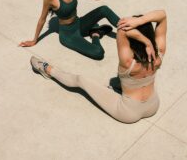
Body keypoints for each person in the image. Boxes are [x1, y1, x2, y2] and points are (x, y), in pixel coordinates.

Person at [30, 10, 167, 123]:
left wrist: (145, 40)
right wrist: (142, 24)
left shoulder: (127, 60)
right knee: (122, 80)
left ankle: (46, 69)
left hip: (128, 112)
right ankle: (120, 85)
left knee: (80, 80)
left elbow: (121, 28)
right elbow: (162, 15)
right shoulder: (159, 54)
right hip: (153, 105)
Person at [19, 0, 120, 60]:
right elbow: (42, 19)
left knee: (104, 9)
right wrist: (34, 40)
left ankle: (128, 29)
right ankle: (95, 34)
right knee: (98, 53)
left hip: (79, 23)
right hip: (69, 35)